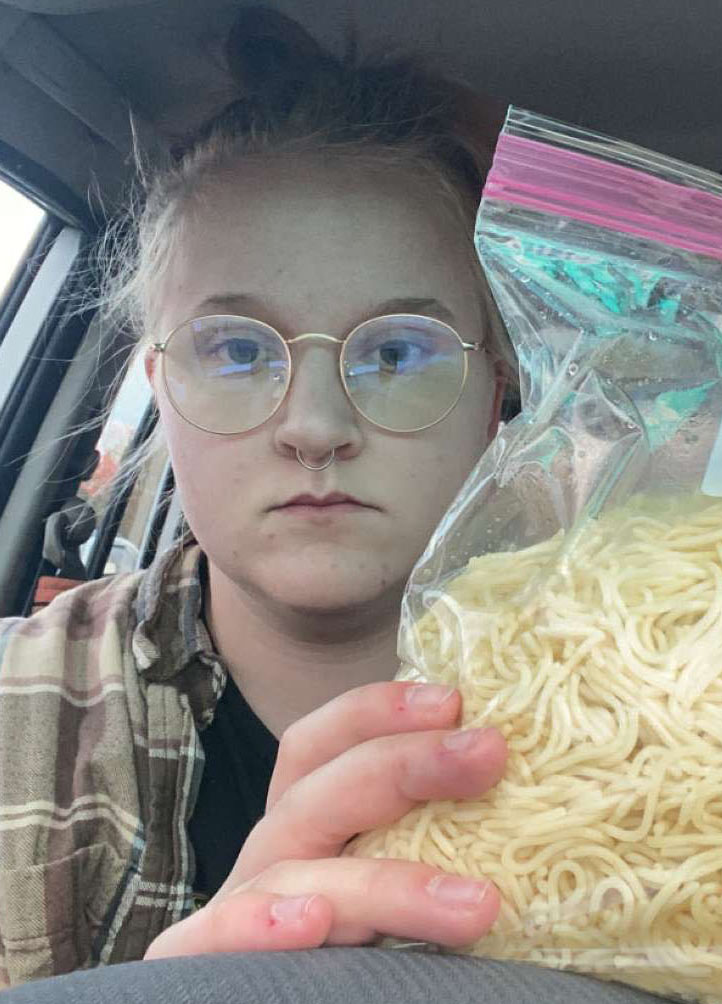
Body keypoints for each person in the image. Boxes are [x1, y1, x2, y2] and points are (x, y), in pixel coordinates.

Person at [0, 6, 531, 987]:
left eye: (397, 349)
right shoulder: (12, 721)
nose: (315, 425)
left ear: (496, 387)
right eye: (237, 351)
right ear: (159, 387)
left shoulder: (640, 704)